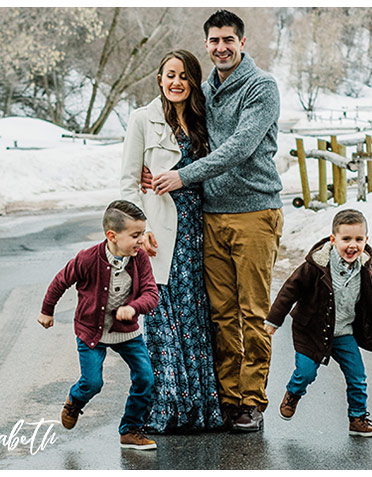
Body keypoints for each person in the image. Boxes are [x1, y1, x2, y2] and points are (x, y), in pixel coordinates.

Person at [148, 9, 284, 432]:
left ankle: (251, 401)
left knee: (253, 313)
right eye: (214, 41)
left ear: (242, 43)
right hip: (212, 215)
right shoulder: (205, 89)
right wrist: (147, 162)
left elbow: (240, 147)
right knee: (220, 314)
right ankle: (227, 398)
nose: (221, 47)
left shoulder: (262, 88)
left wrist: (182, 176)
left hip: (255, 213)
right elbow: (169, 117)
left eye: (229, 40)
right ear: (206, 45)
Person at [119, 50, 224, 432]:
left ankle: (200, 409)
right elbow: (129, 180)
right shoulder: (141, 120)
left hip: (199, 228)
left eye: (183, 76)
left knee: (195, 315)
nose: (176, 82)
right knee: (162, 315)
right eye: (169, 75)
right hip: (158, 231)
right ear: (159, 79)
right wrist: (137, 230)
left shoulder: (204, 120)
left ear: (193, 82)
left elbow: (215, 169)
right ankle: (166, 408)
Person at [264, 209, 372, 437]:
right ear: (333, 240)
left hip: (343, 332)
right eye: (346, 239)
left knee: (357, 375)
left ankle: (357, 418)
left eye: (358, 239)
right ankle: (293, 392)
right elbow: (289, 291)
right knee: (306, 373)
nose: (352, 245)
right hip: (312, 330)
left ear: (366, 240)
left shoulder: (367, 266)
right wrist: (273, 320)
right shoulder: (316, 265)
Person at [38, 200, 160, 450]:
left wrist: (134, 307)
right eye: (135, 235)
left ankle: (130, 428)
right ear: (112, 236)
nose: (141, 240)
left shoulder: (140, 259)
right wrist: (46, 311)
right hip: (91, 332)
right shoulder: (87, 259)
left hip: (127, 333)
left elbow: (151, 293)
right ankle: (75, 401)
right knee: (93, 383)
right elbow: (61, 281)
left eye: (142, 234)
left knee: (146, 378)